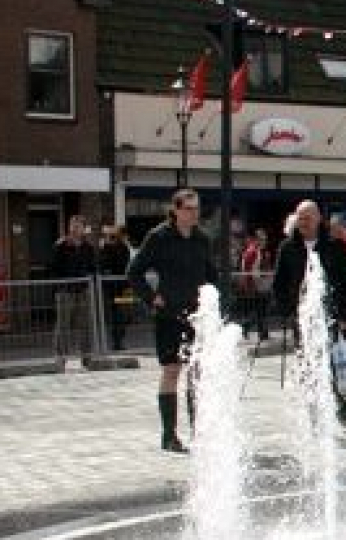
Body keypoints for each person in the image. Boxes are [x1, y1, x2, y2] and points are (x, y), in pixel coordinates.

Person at [126, 190, 220, 452]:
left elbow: (211, 274)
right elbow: (134, 272)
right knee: (171, 370)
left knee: (196, 373)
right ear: (176, 210)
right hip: (168, 316)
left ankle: (199, 433)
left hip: (196, 316)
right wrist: (151, 297)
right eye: (188, 208)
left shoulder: (202, 239)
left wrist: (216, 302)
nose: (194, 213)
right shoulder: (159, 237)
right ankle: (169, 435)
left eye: (196, 208)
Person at [274, 200, 346, 436]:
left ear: (318, 219)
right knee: (308, 368)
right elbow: (280, 283)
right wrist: (286, 310)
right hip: (303, 319)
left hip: (333, 317)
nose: (303, 222)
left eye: (308, 217)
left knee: (337, 366)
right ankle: (313, 415)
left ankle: (344, 413)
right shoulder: (287, 247)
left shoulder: (335, 246)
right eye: (300, 217)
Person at [49, 215, 99, 362]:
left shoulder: (88, 247)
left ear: (84, 229)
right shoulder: (60, 245)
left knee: (86, 324)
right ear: (69, 227)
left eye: (79, 226)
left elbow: (93, 267)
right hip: (65, 291)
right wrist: (60, 285)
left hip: (83, 290)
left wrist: (92, 280)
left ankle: (86, 356)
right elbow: (53, 268)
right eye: (73, 226)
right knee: (63, 325)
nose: (75, 229)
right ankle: (61, 357)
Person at [97, 224, 133, 351]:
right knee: (118, 315)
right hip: (115, 288)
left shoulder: (125, 247)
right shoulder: (109, 248)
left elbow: (128, 264)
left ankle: (120, 339)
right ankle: (117, 342)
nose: (125, 238)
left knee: (126, 315)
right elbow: (106, 265)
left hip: (125, 286)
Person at [237, 228, 272, 342]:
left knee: (259, 310)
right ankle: (251, 330)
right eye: (262, 239)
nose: (264, 241)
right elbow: (251, 271)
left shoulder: (256, 251)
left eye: (265, 239)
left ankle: (262, 332)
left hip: (256, 286)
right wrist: (257, 283)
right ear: (256, 240)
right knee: (259, 310)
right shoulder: (253, 252)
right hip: (256, 286)